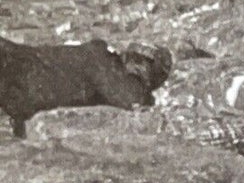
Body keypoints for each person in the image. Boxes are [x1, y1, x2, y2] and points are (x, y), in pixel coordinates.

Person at [1, 36, 172, 134]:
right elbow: (130, 101)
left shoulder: (102, 61)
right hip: (23, 80)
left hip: (23, 84)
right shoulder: (104, 63)